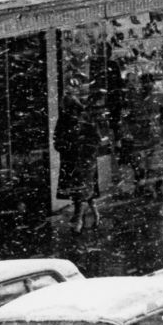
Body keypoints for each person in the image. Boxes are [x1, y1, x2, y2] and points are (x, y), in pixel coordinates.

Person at [54, 91, 101, 232]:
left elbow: (95, 138)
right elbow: (57, 139)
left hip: (81, 159)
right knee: (83, 189)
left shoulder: (83, 117)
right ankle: (94, 213)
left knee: (80, 190)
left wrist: (79, 147)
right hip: (75, 159)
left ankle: (78, 219)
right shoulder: (70, 118)